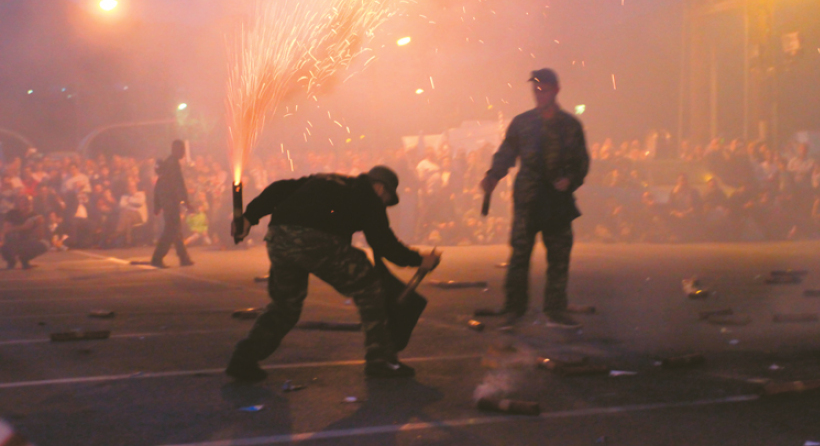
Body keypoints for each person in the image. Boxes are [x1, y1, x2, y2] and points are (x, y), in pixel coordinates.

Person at [225, 166, 440, 382]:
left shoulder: (329, 180)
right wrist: (420, 260)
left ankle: (244, 359)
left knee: (285, 306)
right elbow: (384, 243)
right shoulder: (368, 196)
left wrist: (249, 217)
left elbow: (279, 189)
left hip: (279, 237)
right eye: (387, 197)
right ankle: (381, 359)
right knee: (370, 285)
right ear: (379, 186)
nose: (385, 203)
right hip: (314, 239)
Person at [480, 69, 590, 330]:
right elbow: (506, 153)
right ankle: (514, 308)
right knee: (519, 257)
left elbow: (581, 162)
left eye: (544, 90)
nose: (539, 95)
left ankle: (555, 310)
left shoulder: (570, 125)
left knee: (559, 257)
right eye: (536, 90)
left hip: (557, 202)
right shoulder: (522, 123)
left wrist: (570, 180)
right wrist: (493, 176)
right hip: (528, 200)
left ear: (556, 90)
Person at [150, 140, 194, 268]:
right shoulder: (173, 164)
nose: (183, 153)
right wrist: (186, 203)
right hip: (171, 202)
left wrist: (157, 204)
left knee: (176, 229)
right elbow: (178, 185)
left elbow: (159, 185)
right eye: (182, 150)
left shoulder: (167, 164)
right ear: (176, 150)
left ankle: (183, 257)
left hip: (167, 202)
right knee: (171, 230)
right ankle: (157, 258)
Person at [1, 195, 49, 269]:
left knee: (45, 244)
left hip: (26, 242)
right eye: (25, 204)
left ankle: (25, 260)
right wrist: (23, 227)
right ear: (19, 204)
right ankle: (11, 261)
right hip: (12, 242)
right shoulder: (12, 213)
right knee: (4, 242)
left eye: (30, 203)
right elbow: (6, 230)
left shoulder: (34, 215)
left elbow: (40, 236)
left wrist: (40, 225)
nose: (28, 206)